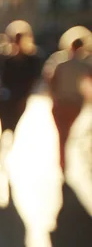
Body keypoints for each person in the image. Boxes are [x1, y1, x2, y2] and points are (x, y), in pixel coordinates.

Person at [0, 21, 42, 161]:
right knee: (3, 128)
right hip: (5, 99)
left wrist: (25, 98)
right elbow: (0, 80)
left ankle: (7, 154)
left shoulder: (32, 59)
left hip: (19, 98)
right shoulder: (5, 58)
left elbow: (33, 81)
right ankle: (1, 155)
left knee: (13, 127)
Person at [44, 26, 92, 172]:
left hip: (62, 102)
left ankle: (63, 162)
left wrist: (53, 95)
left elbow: (50, 80)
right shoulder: (84, 64)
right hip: (73, 102)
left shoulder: (60, 62)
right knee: (66, 133)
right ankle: (63, 162)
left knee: (62, 134)